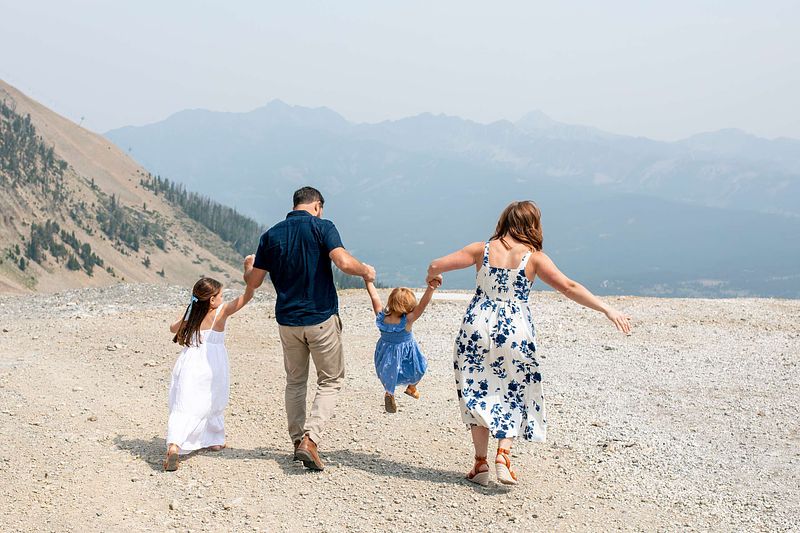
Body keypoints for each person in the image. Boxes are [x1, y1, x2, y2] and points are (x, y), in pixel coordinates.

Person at [426, 200, 632, 486]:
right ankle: (503, 456)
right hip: (515, 330)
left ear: (504, 221)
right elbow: (569, 287)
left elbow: (437, 264)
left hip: (477, 325)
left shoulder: (480, 250)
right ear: (533, 225)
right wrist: (607, 309)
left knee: (476, 390)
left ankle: (480, 463)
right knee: (513, 389)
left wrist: (432, 276)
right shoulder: (534, 258)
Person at [244, 186, 376, 471]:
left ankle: (296, 441)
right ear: (317, 205)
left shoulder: (271, 235)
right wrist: (365, 270)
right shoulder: (322, 227)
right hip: (320, 317)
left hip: (287, 321)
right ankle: (310, 439)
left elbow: (253, 282)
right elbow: (342, 262)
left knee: (295, 382)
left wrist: (247, 267)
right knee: (330, 381)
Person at [164, 258, 256, 471]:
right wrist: (249, 272)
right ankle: (214, 440)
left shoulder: (192, 313)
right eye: (221, 296)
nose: (223, 299)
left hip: (189, 363)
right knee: (213, 400)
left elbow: (172, 329)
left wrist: (188, 312)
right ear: (212, 300)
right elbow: (248, 296)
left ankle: (175, 445)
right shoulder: (221, 312)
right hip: (212, 365)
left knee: (183, 404)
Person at [365, 278, 441, 413]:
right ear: (409, 306)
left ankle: (389, 392)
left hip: (385, 351)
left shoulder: (382, 317)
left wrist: (369, 281)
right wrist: (431, 288)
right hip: (406, 350)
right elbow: (423, 304)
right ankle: (412, 387)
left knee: (389, 372)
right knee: (419, 368)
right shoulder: (408, 320)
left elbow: (374, 297)